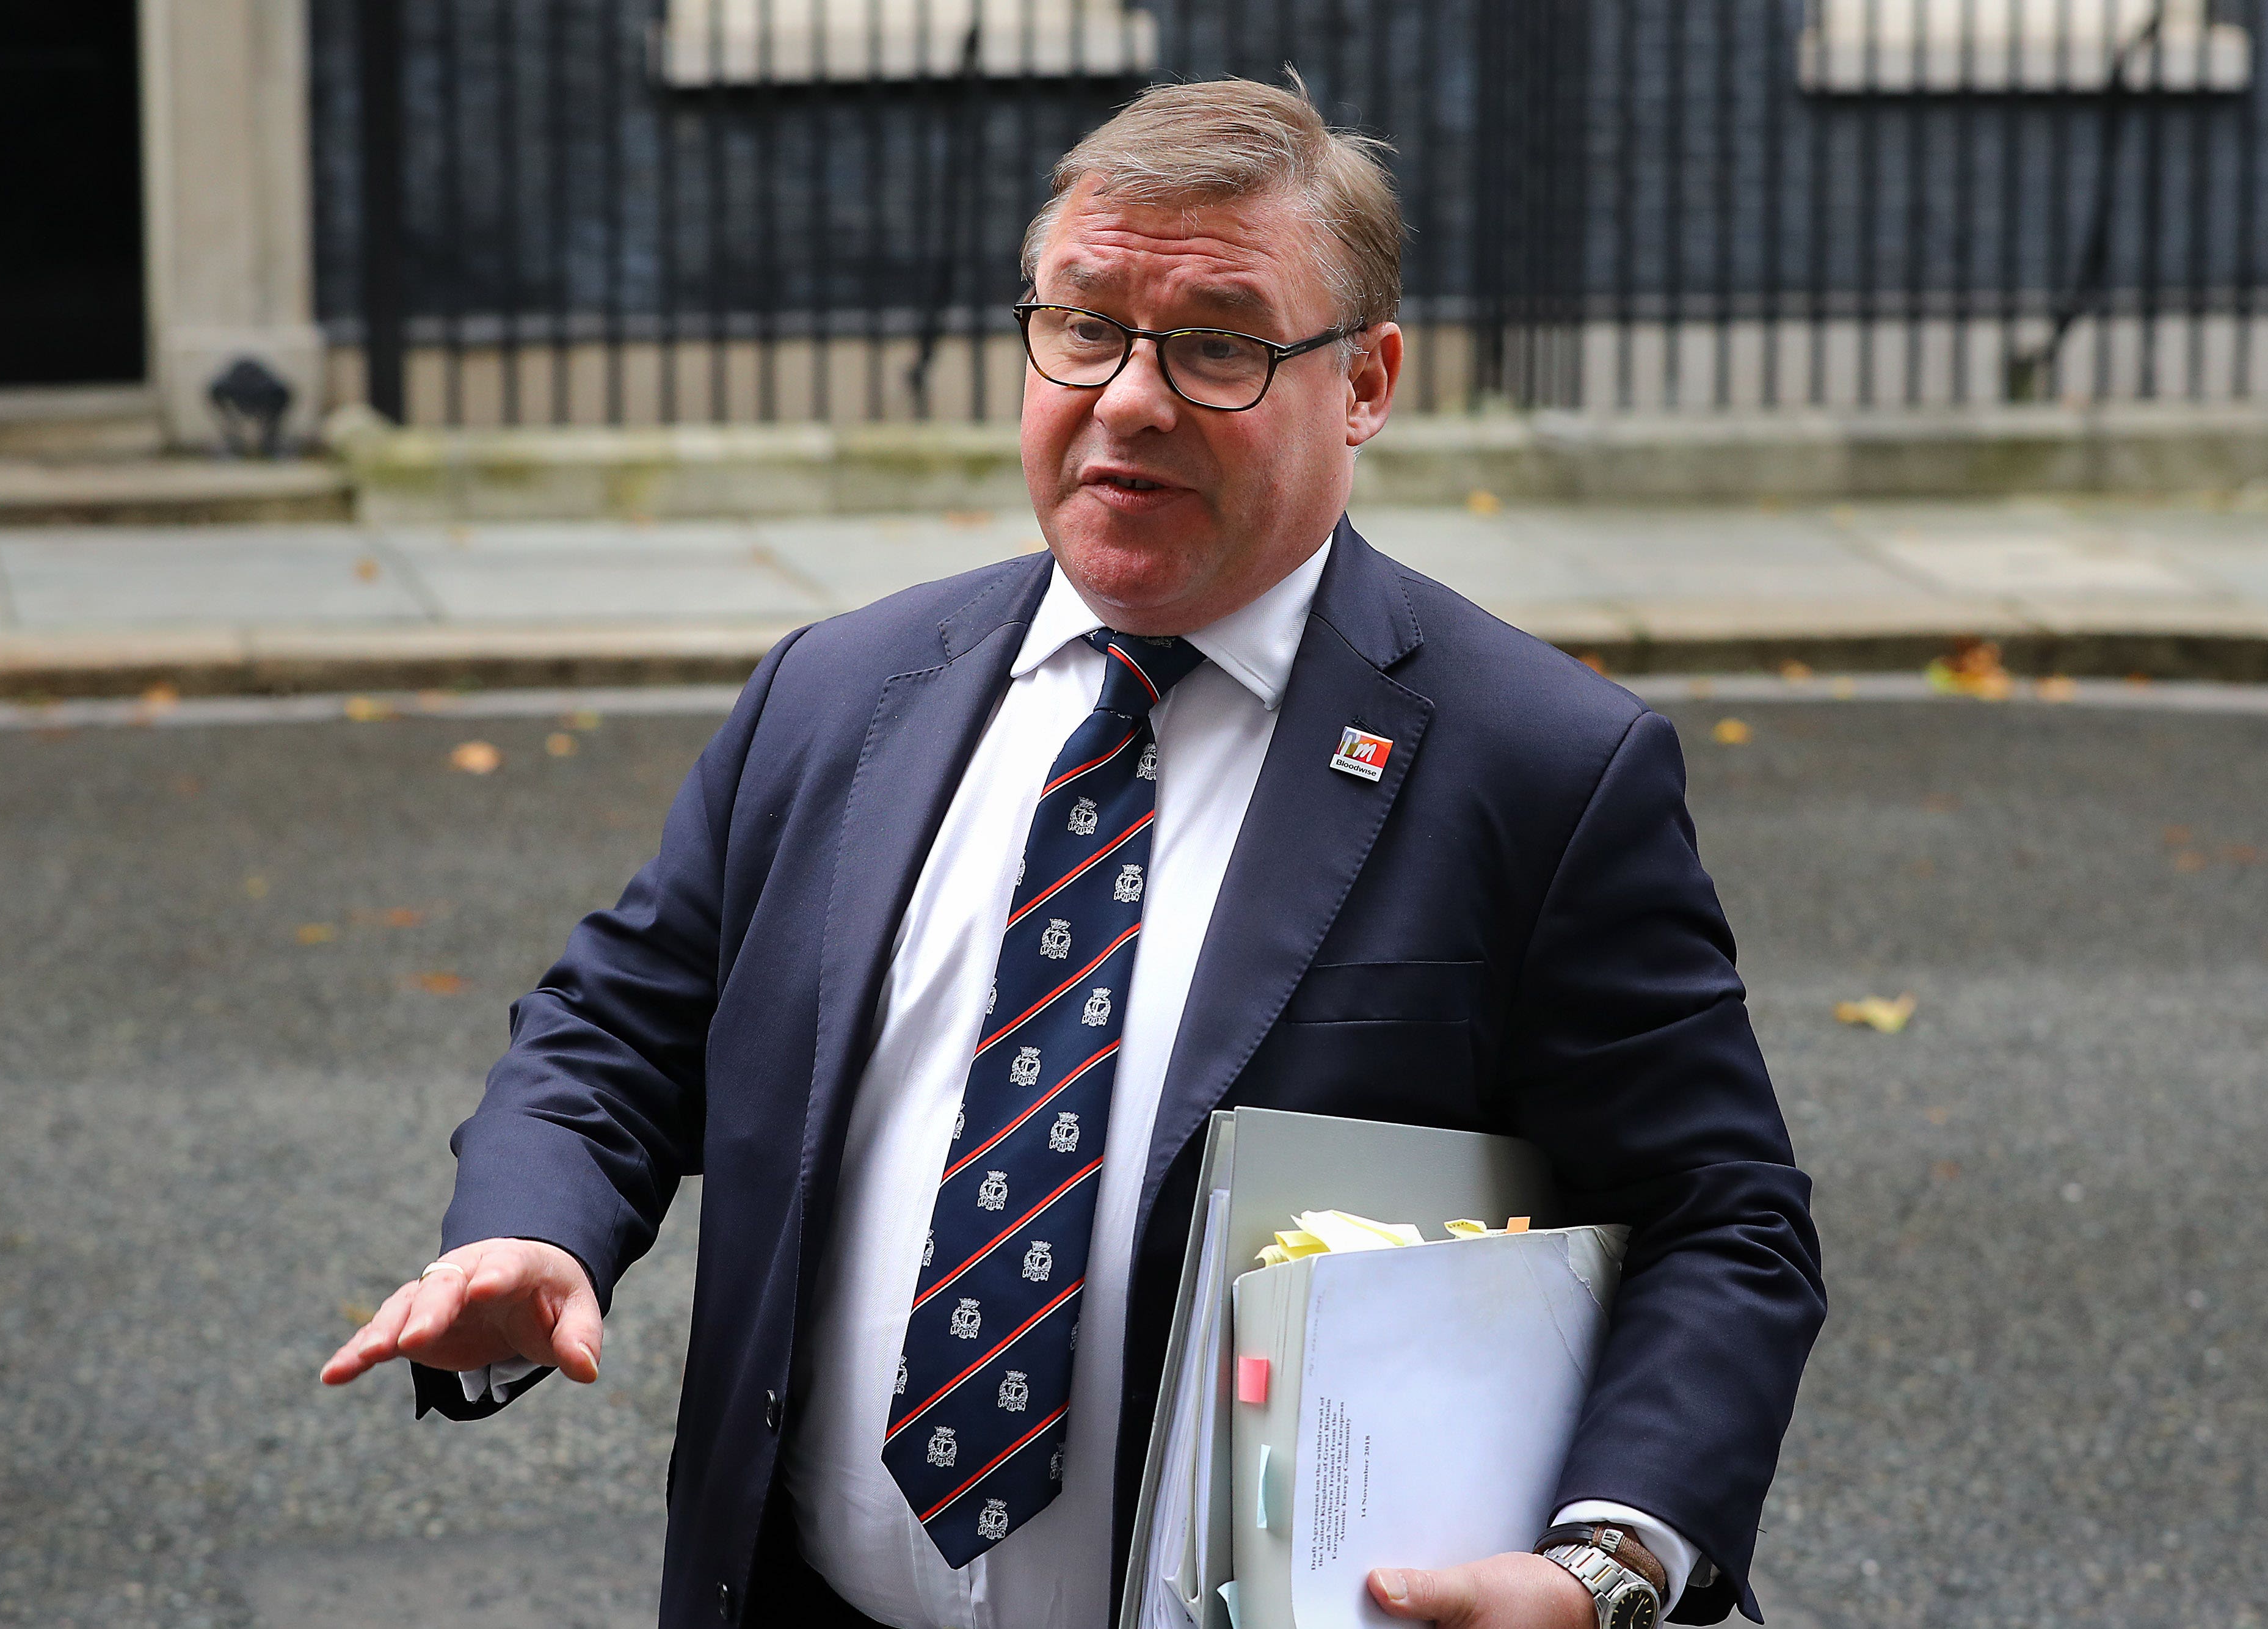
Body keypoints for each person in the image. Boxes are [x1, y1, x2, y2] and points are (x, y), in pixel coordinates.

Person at [322, 74, 1824, 1629]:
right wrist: (531, 1220)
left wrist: (1603, 1565)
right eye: (1083, 324)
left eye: (1218, 344)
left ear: (1366, 380)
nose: (1127, 397)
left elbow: (1725, 1219)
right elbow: (623, 1020)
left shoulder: (1540, 764)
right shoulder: (840, 691)